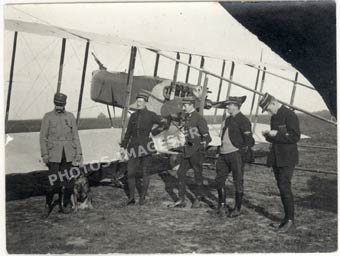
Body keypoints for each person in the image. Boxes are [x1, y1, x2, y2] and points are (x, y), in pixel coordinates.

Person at [259, 92, 301, 233]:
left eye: (267, 108)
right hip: (277, 158)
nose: (268, 111)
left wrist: (276, 134)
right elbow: (276, 139)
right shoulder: (274, 117)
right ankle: (286, 219)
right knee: (281, 187)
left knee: (284, 187)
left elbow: (295, 137)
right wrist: (268, 136)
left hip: (287, 158)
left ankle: (290, 221)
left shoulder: (290, 115)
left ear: (273, 102)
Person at [120, 91, 168, 205]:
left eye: (141, 101)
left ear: (145, 102)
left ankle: (142, 198)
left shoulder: (151, 115)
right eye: (137, 101)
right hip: (133, 147)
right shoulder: (133, 116)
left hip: (146, 146)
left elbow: (165, 123)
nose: (138, 103)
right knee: (131, 172)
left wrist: (154, 132)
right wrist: (123, 147)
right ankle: (131, 198)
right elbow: (128, 133)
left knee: (146, 172)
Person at [40, 92, 83, 214]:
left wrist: (79, 154)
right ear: (54, 103)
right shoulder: (47, 117)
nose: (59, 107)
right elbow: (43, 137)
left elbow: (75, 136)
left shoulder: (70, 117)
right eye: (57, 104)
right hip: (53, 155)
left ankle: (66, 203)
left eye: (61, 104)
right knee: (53, 182)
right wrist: (45, 154)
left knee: (69, 182)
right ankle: (48, 204)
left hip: (68, 155)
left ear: (65, 104)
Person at [214, 96, 254, 217]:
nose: (227, 107)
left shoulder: (243, 120)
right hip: (223, 154)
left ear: (236, 106)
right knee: (219, 180)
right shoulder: (228, 119)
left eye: (229, 105)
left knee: (238, 181)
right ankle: (222, 206)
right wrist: (219, 150)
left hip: (235, 154)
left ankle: (237, 209)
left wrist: (240, 153)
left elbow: (249, 140)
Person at [173, 96, 212, 208]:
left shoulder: (199, 118)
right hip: (187, 151)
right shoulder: (188, 117)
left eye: (185, 105)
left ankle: (198, 199)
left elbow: (207, 137)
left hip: (196, 152)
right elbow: (190, 134)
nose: (183, 107)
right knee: (180, 173)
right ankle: (181, 200)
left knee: (197, 175)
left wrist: (200, 148)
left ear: (191, 105)